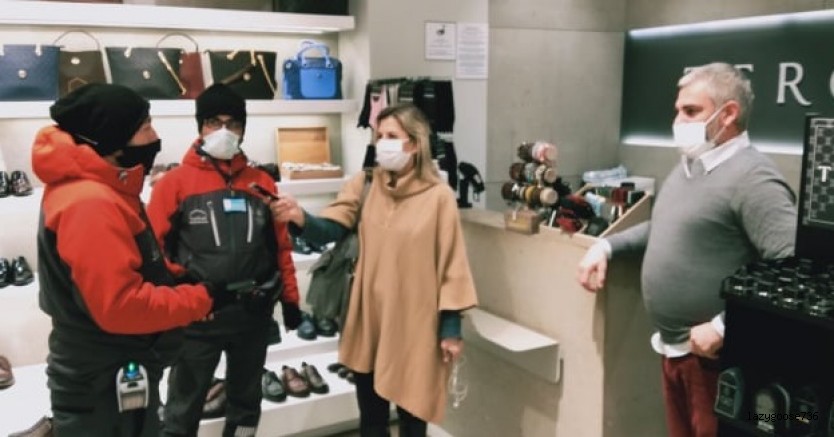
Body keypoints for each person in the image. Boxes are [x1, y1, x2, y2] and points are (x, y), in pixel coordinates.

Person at [577, 62, 797, 437]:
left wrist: (725, 325)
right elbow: (665, 226)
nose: (678, 121)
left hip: (717, 363)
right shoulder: (689, 168)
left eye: (691, 111)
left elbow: (789, 267)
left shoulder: (754, 178)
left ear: (728, 114)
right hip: (676, 353)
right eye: (678, 110)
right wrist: (607, 246)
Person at [271, 103, 478, 437]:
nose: (383, 143)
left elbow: (452, 264)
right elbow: (332, 227)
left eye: (392, 136)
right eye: (379, 136)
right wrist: (301, 218)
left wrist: (451, 328)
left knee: (414, 414)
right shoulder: (366, 184)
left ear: (415, 143)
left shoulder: (439, 197)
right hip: (369, 317)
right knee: (372, 417)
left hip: (416, 324)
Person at [33, 83, 226, 436]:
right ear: (112, 139)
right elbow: (120, 306)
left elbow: (123, 261)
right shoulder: (90, 203)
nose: (155, 137)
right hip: (104, 381)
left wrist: (173, 277)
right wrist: (198, 300)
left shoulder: (107, 188)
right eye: (145, 127)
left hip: (112, 369)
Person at [146, 83, 301, 437]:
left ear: (243, 128)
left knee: (246, 406)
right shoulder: (174, 184)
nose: (224, 131)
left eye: (233, 123)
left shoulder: (261, 183)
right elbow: (154, 252)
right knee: (182, 409)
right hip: (199, 318)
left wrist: (291, 299)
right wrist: (184, 290)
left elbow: (280, 246)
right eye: (214, 122)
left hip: (252, 316)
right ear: (201, 126)